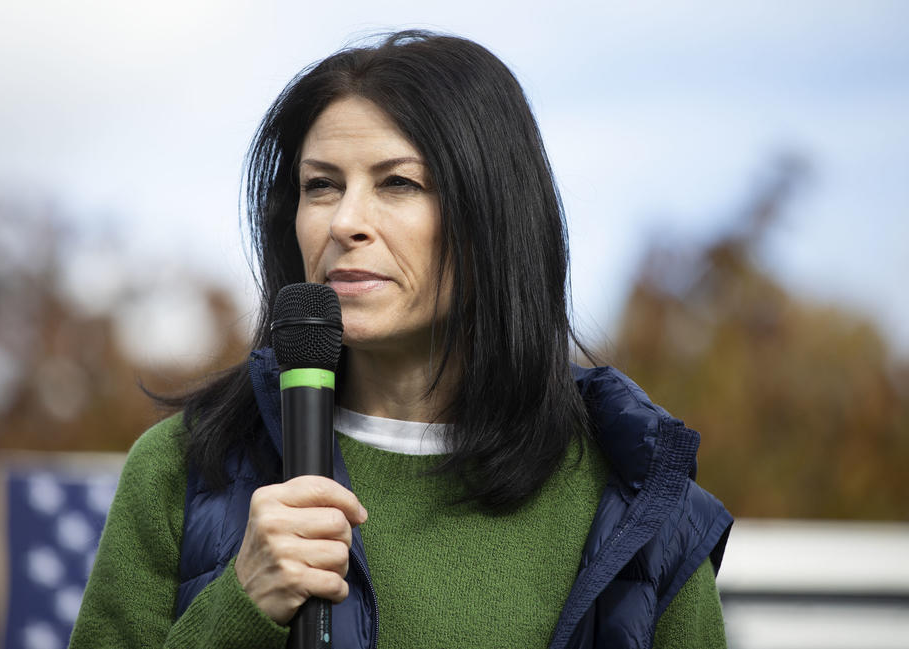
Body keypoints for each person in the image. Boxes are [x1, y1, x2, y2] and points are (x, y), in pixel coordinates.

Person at [69, 31, 732, 649]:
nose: (346, 220)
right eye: (321, 185)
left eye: (399, 183)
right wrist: (240, 607)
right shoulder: (185, 469)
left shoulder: (636, 498)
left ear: (491, 217)